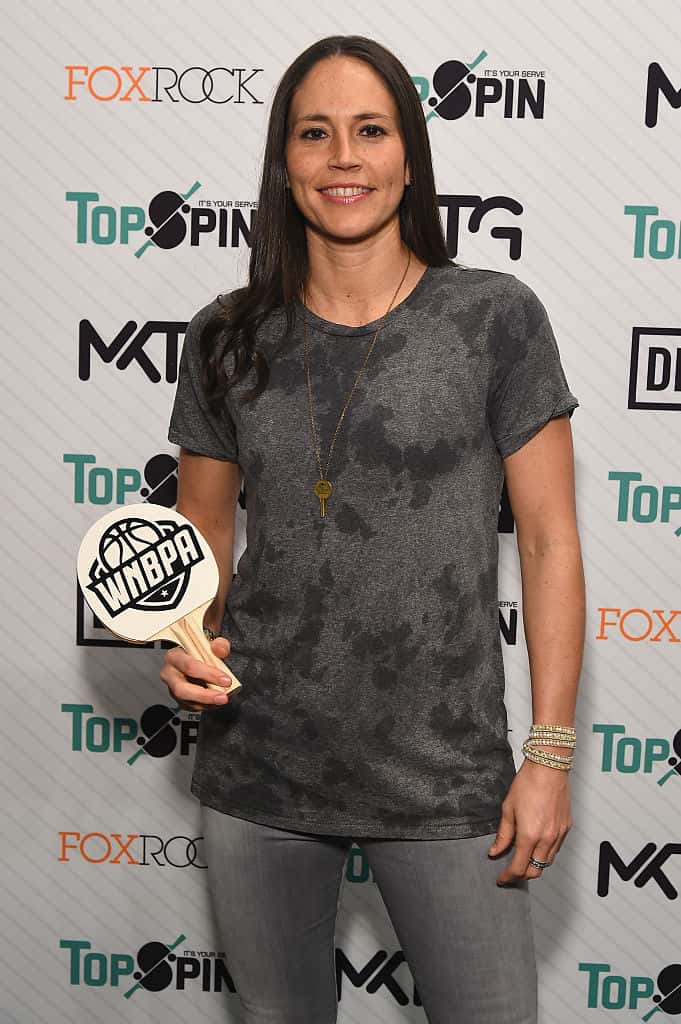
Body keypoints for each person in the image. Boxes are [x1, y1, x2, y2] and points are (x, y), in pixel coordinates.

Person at [162, 34, 585, 1024]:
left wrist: (550, 754)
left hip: (444, 777)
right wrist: (183, 637)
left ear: (409, 157)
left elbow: (550, 543)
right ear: (285, 162)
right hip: (260, 763)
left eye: (371, 131)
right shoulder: (227, 335)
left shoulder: (494, 318)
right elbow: (202, 527)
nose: (343, 157)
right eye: (315, 133)